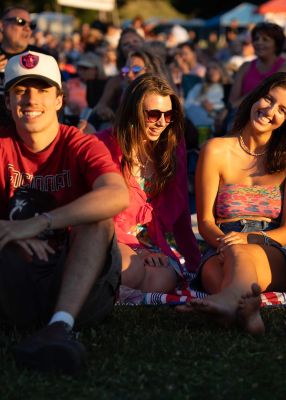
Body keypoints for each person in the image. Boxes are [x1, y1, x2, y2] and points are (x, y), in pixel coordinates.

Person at [0, 51, 129, 373]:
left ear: (59, 99)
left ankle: (60, 326)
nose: (31, 99)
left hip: (80, 284)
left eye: (42, 90)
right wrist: (8, 229)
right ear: (7, 102)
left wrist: (39, 223)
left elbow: (116, 194)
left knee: (97, 218)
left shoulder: (80, 144)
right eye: (20, 90)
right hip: (18, 280)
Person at [179, 72, 286, 335]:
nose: (270, 110)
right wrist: (228, 242)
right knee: (215, 269)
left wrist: (248, 239)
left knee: (239, 254)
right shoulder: (215, 150)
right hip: (220, 243)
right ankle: (244, 313)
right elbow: (205, 222)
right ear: (255, 97)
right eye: (268, 99)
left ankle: (227, 303)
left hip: (269, 246)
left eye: (282, 109)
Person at [97, 74, 200, 293]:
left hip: (152, 243)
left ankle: (114, 293)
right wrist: (139, 252)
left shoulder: (173, 147)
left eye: (168, 114)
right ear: (133, 110)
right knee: (131, 270)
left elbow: (182, 213)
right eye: (153, 114)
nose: (162, 122)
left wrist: (195, 263)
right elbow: (95, 214)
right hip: (108, 235)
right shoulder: (102, 145)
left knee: (162, 281)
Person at [229, 23, 286, 110]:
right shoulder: (245, 67)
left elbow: (264, 91)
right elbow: (232, 101)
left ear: (276, 44)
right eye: (256, 39)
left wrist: (236, 105)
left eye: (265, 40)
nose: (259, 42)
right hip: (241, 115)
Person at [0, 6, 45, 125]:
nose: (28, 29)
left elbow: (61, 92)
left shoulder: (41, 57)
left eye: (32, 25)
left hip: (27, 128)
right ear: (2, 25)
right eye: (20, 22)